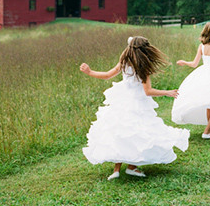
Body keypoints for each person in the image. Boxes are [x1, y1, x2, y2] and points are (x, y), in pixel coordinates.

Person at [81, 36, 190, 180]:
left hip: (122, 100)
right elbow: (148, 91)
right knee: (137, 133)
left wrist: (90, 72)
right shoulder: (143, 67)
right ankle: (131, 167)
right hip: (137, 103)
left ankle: (117, 169)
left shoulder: (124, 61)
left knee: (120, 132)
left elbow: (107, 75)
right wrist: (167, 92)